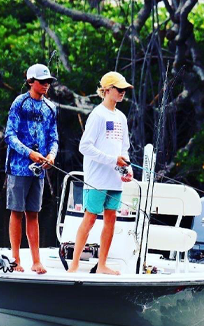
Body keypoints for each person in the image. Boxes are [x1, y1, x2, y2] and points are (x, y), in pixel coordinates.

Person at [67, 71, 133, 275]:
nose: (122, 92)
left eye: (124, 89)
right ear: (106, 90)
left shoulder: (121, 117)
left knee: (111, 219)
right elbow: (84, 147)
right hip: (96, 179)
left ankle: (102, 265)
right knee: (90, 218)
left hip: (115, 180)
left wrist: (126, 168)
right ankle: (74, 264)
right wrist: (113, 160)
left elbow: (124, 149)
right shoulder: (97, 115)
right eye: (118, 89)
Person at [4, 63, 58, 274]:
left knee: (33, 213)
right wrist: (29, 153)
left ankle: (36, 261)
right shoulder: (19, 103)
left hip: (39, 170)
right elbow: (9, 135)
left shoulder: (50, 108)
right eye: (42, 81)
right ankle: (15, 259)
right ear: (31, 82)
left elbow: (54, 138)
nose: (46, 85)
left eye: (48, 82)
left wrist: (51, 156)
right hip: (18, 167)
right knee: (16, 212)